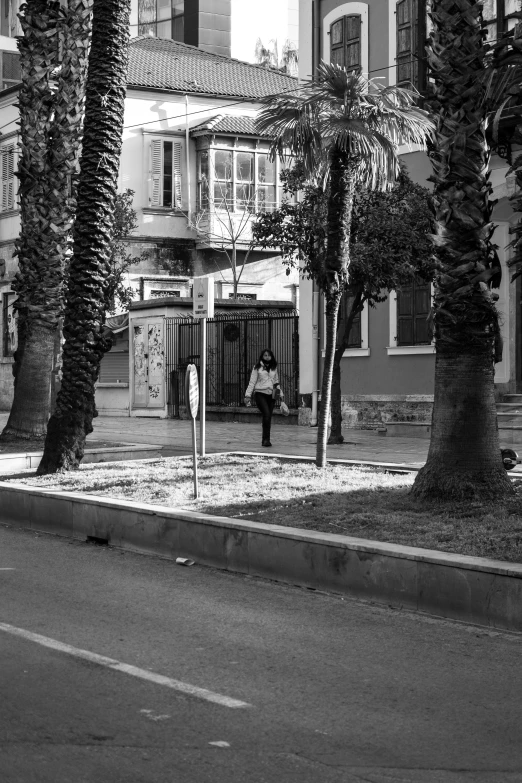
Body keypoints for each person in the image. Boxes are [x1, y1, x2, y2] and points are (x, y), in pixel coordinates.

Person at [244, 349, 284, 447]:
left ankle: (266, 440)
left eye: (269, 355)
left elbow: (276, 382)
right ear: (262, 356)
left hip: (271, 395)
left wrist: (281, 394)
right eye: (265, 355)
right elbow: (252, 382)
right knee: (266, 414)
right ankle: (265, 439)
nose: (267, 357)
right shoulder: (257, 367)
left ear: (271, 357)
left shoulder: (274, 368)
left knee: (268, 417)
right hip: (260, 394)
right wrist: (247, 395)